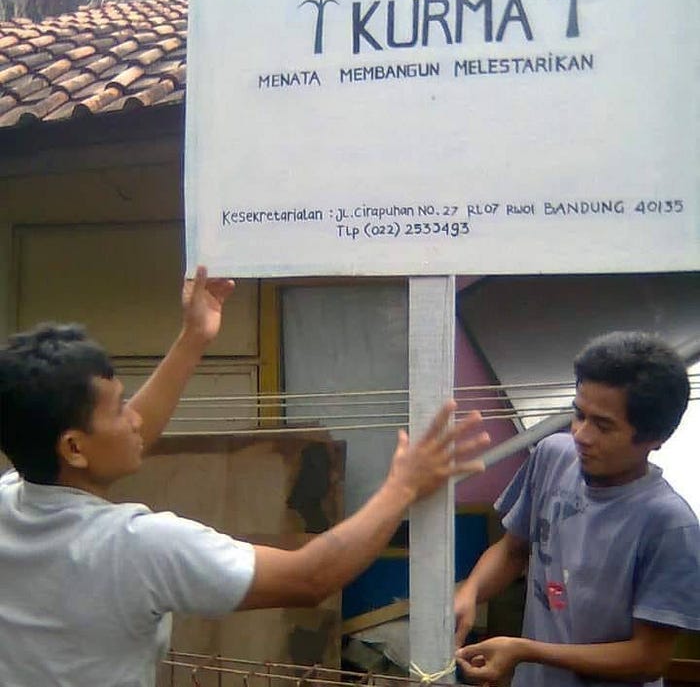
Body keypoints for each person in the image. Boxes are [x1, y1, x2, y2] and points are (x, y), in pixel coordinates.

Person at [0, 266, 491, 687]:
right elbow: (308, 578)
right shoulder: (136, 546)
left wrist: (194, 339)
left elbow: (126, 437)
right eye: (118, 409)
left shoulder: (10, 501)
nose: (135, 419)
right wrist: (402, 486)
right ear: (74, 448)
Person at [454, 331, 700, 687]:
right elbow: (512, 550)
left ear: (654, 438)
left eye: (603, 425)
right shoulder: (552, 457)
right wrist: (470, 592)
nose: (581, 435)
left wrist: (526, 651)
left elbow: (648, 658)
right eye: (579, 414)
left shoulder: (669, 526)